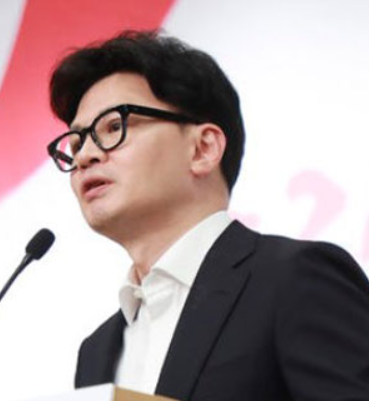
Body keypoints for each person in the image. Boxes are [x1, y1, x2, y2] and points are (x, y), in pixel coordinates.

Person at [46, 30, 369, 401]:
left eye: (114, 127)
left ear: (203, 148)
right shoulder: (97, 351)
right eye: (76, 143)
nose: (85, 156)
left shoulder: (294, 279)